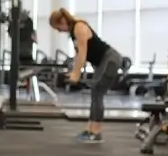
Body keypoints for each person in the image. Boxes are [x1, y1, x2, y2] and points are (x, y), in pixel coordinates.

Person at [49, 8, 123, 143]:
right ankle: (90, 129)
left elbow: (83, 54)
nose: (58, 31)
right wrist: (73, 71)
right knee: (95, 92)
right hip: (102, 62)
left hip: (110, 59)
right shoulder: (73, 32)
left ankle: (96, 132)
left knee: (97, 91)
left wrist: (76, 75)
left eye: (58, 27)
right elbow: (78, 55)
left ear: (62, 21)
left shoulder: (79, 27)